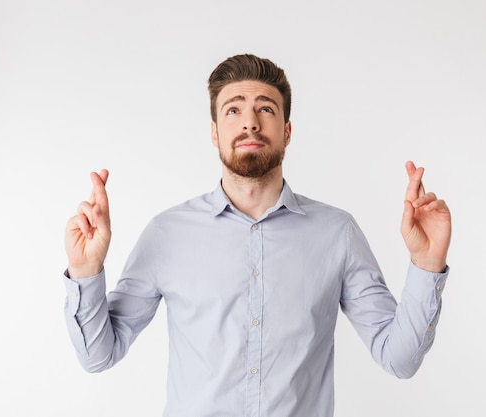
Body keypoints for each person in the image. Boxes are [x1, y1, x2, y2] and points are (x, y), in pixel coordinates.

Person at [63, 54, 451, 417]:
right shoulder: (167, 234)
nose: (250, 122)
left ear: (286, 130)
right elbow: (99, 355)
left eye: (265, 108)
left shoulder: (337, 233)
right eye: (234, 110)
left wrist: (427, 262)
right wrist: (85, 271)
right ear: (215, 132)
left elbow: (398, 359)